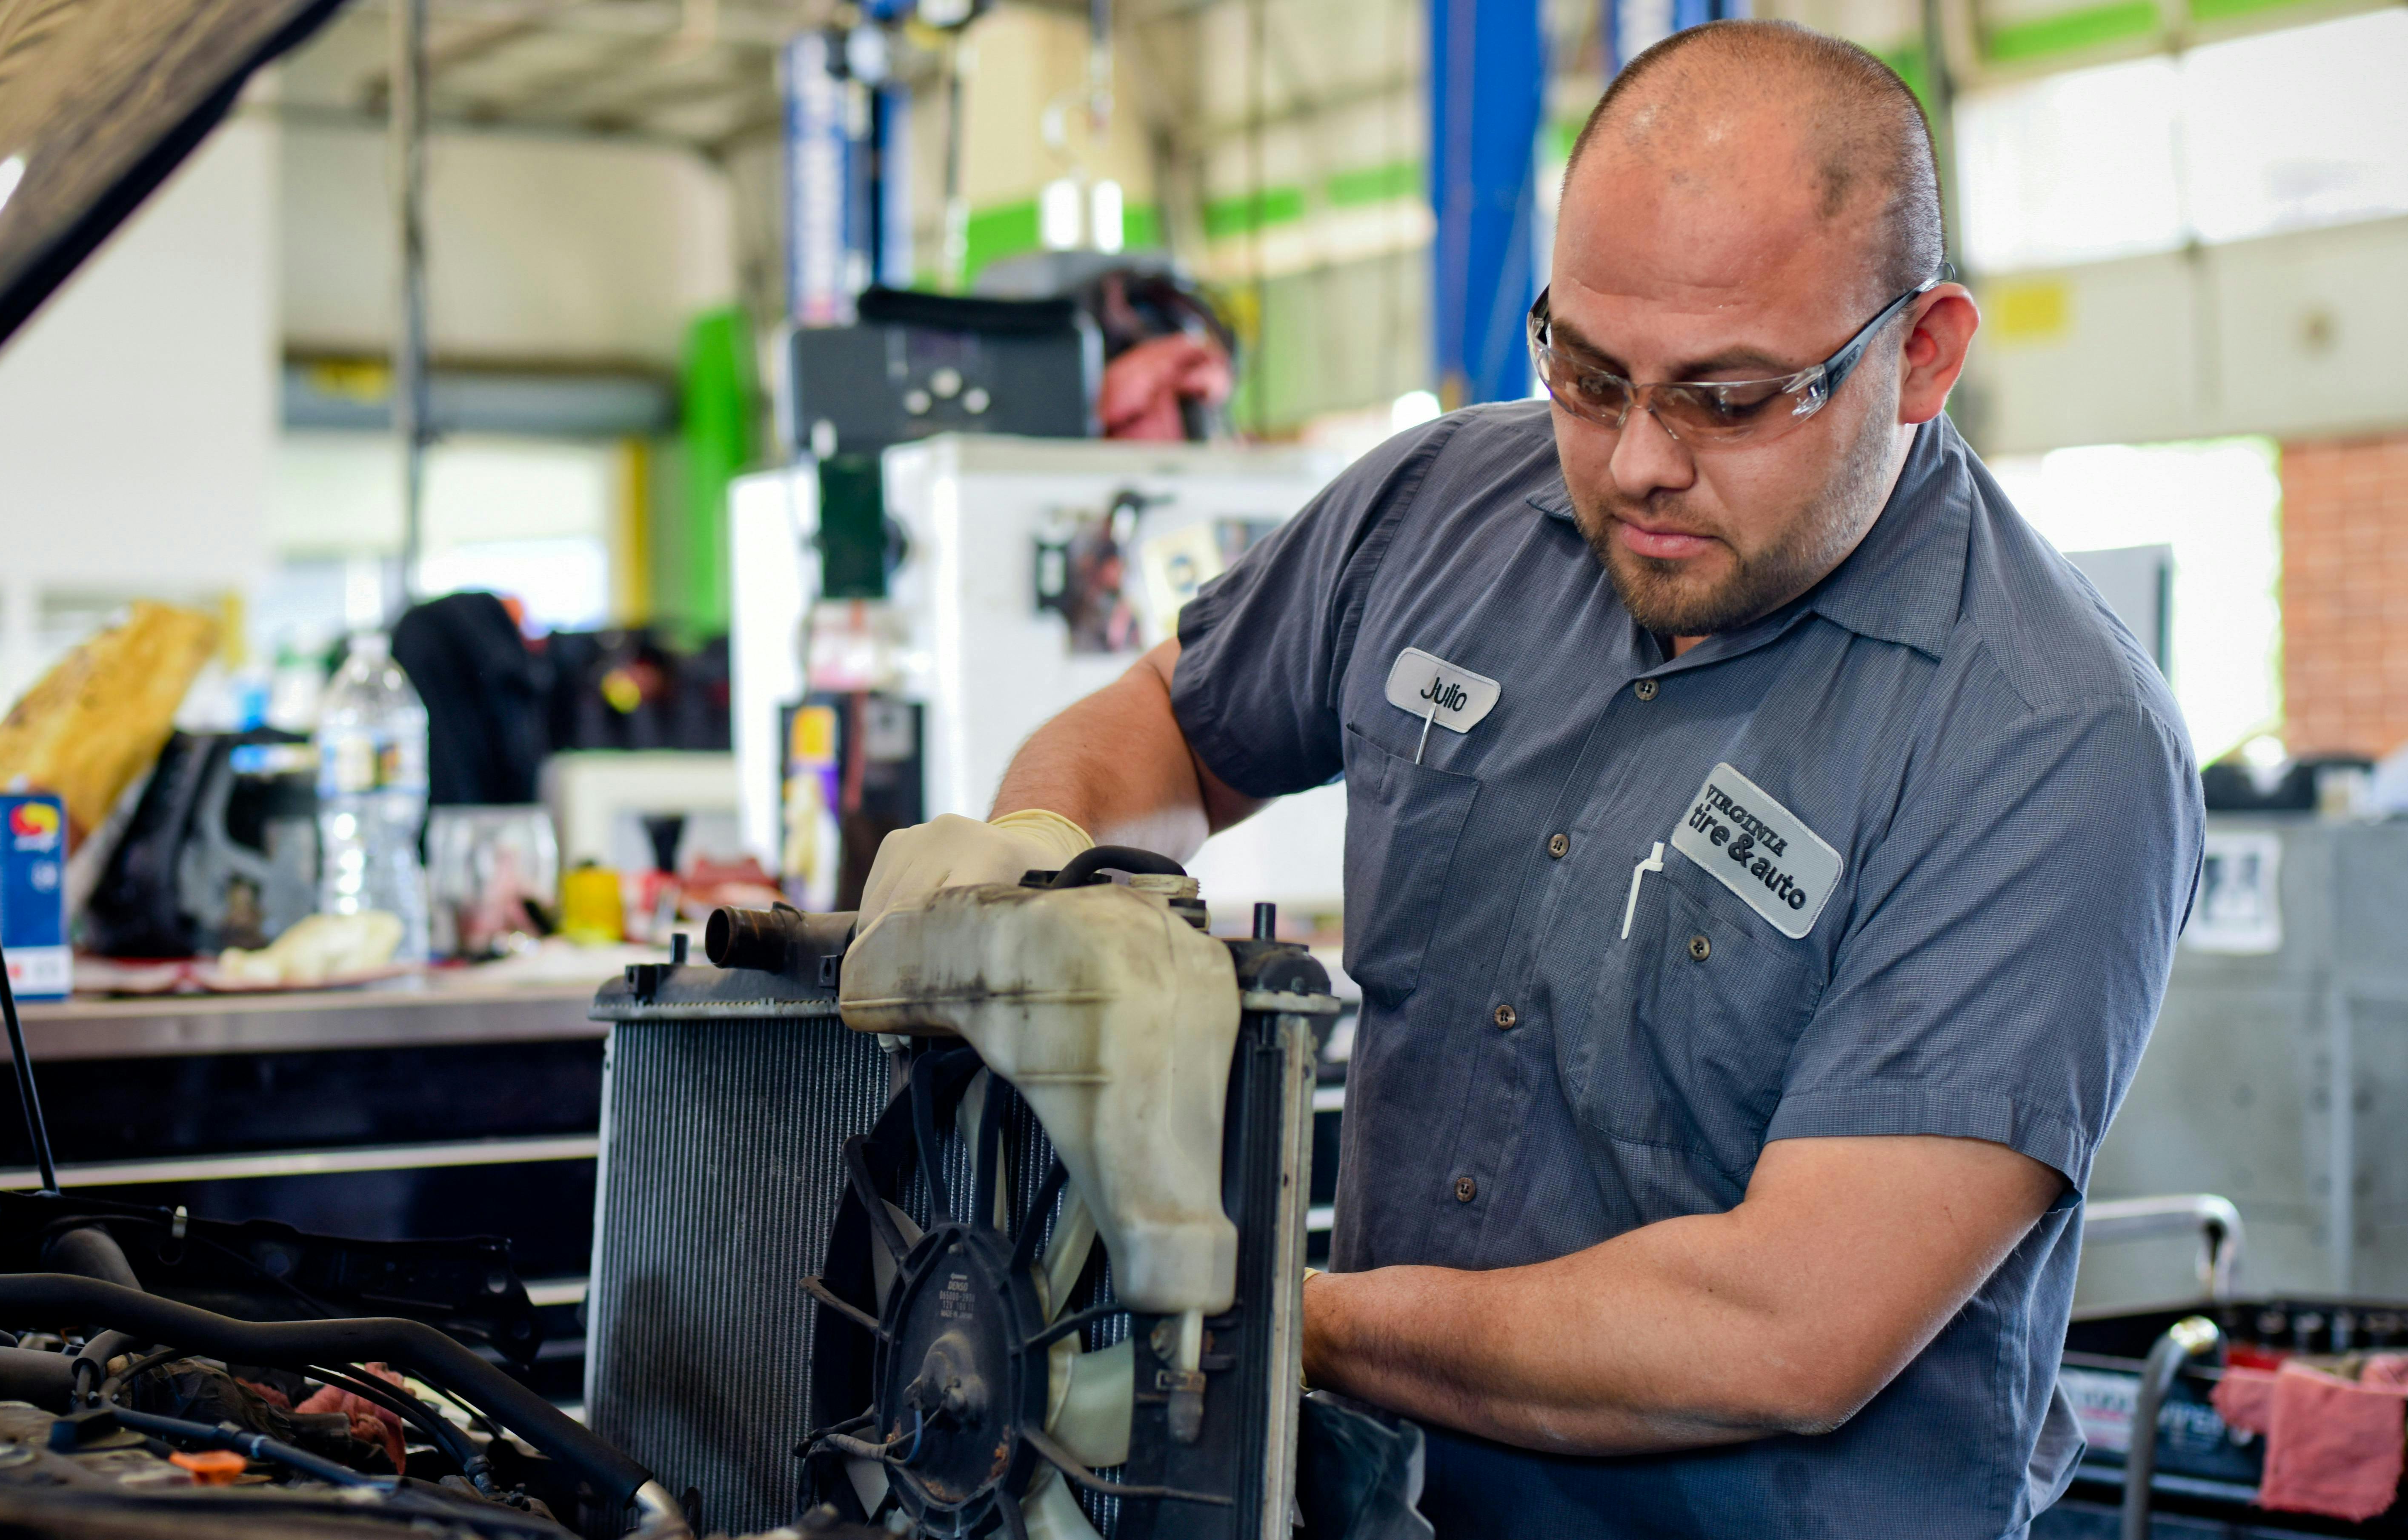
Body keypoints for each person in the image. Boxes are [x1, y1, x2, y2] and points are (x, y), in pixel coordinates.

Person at [848, 20, 2202, 1537]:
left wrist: (1256, 1320)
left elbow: (1779, 1332)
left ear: (1920, 356)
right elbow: (1168, 722)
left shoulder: (2045, 743)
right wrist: (1039, 855)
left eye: (1726, 397)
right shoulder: (1440, 507)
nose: (1633, 461)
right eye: (1585, 370)